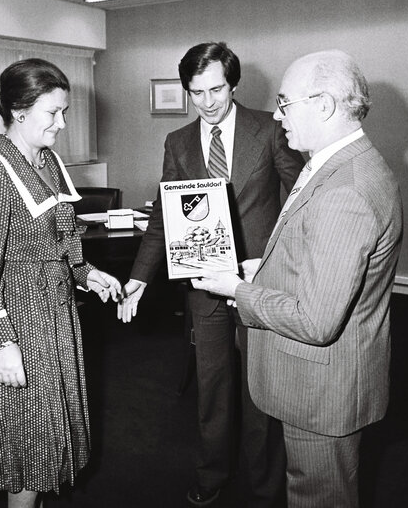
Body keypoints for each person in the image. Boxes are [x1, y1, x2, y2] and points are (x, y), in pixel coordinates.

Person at [191, 50, 404, 507]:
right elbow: (315, 256)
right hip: (325, 383)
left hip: (321, 392)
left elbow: (315, 321)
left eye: (285, 103)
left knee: (318, 495)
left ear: (324, 105)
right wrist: (261, 269)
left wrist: (239, 290)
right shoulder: (339, 163)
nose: (277, 114)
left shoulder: (345, 189)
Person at [118, 42, 303, 507]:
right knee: (213, 385)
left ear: (233, 84)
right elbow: (165, 215)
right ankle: (212, 472)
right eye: (196, 92)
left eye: (216, 88)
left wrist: (276, 261)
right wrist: (141, 276)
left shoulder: (269, 130)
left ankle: (264, 484)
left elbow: (301, 202)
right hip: (203, 284)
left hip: (259, 281)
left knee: (259, 388)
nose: (208, 101)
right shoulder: (178, 142)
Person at [0, 58, 122, 508]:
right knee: (27, 448)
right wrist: (1, 343)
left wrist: (87, 272)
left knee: (49, 434)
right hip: (17, 322)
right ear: (18, 110)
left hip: (54, 313)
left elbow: (65, 236)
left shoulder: (47, 161)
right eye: (53, 113)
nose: (62, 123)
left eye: (63, 112)